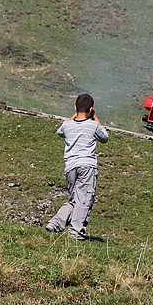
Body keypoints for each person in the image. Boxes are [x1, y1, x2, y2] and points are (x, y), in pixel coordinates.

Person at [45, 93, 109, 241]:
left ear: (75, 107)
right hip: (87, 165)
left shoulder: (67, 125)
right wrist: (95, 118)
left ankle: (55, 223)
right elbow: (105, 137)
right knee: (84, 199)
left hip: (70, 167)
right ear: (91, 109)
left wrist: (74, 116)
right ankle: (77, 232)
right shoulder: (93, 125)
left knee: (75, 199)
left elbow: (60, 131)